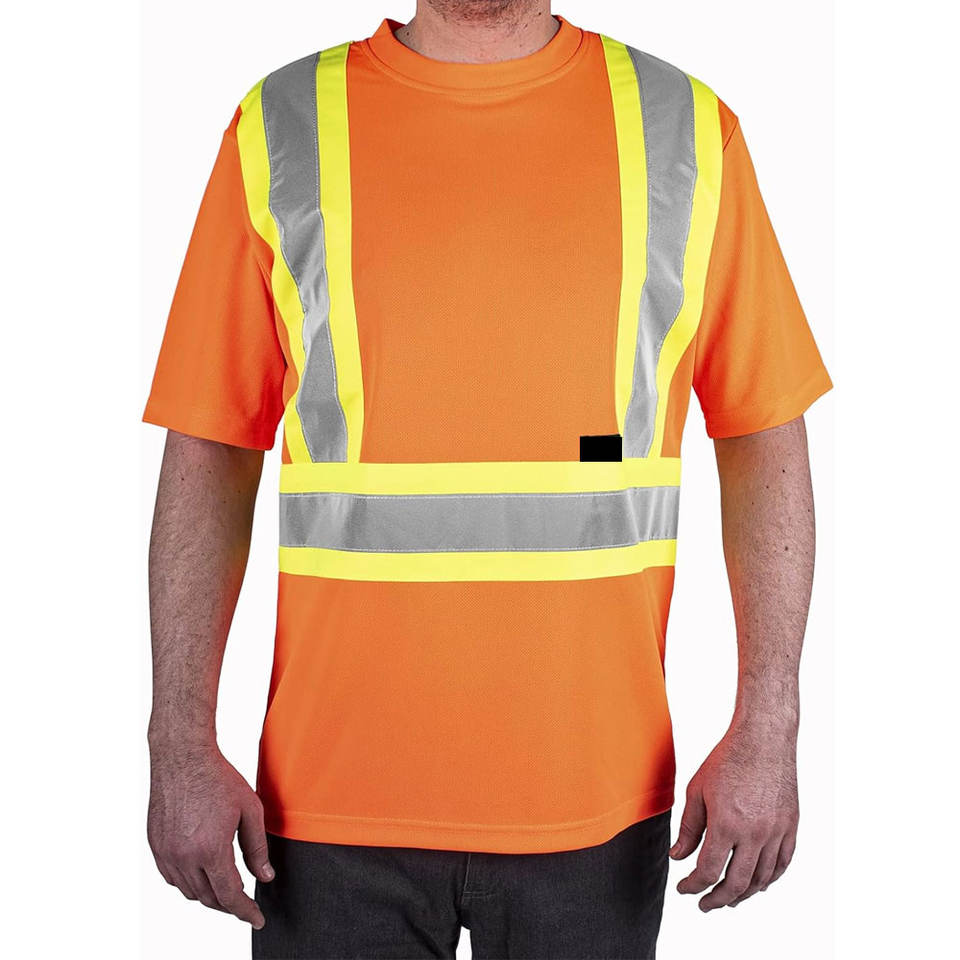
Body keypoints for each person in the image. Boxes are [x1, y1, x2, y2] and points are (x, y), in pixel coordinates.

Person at [144, 2, 832, 957]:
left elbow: (764, 434)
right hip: (328, 809)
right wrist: (178, 741)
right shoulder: (282, 125)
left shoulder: (684, 128)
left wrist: (770, 724)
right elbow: (210, 446)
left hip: (596, 805)